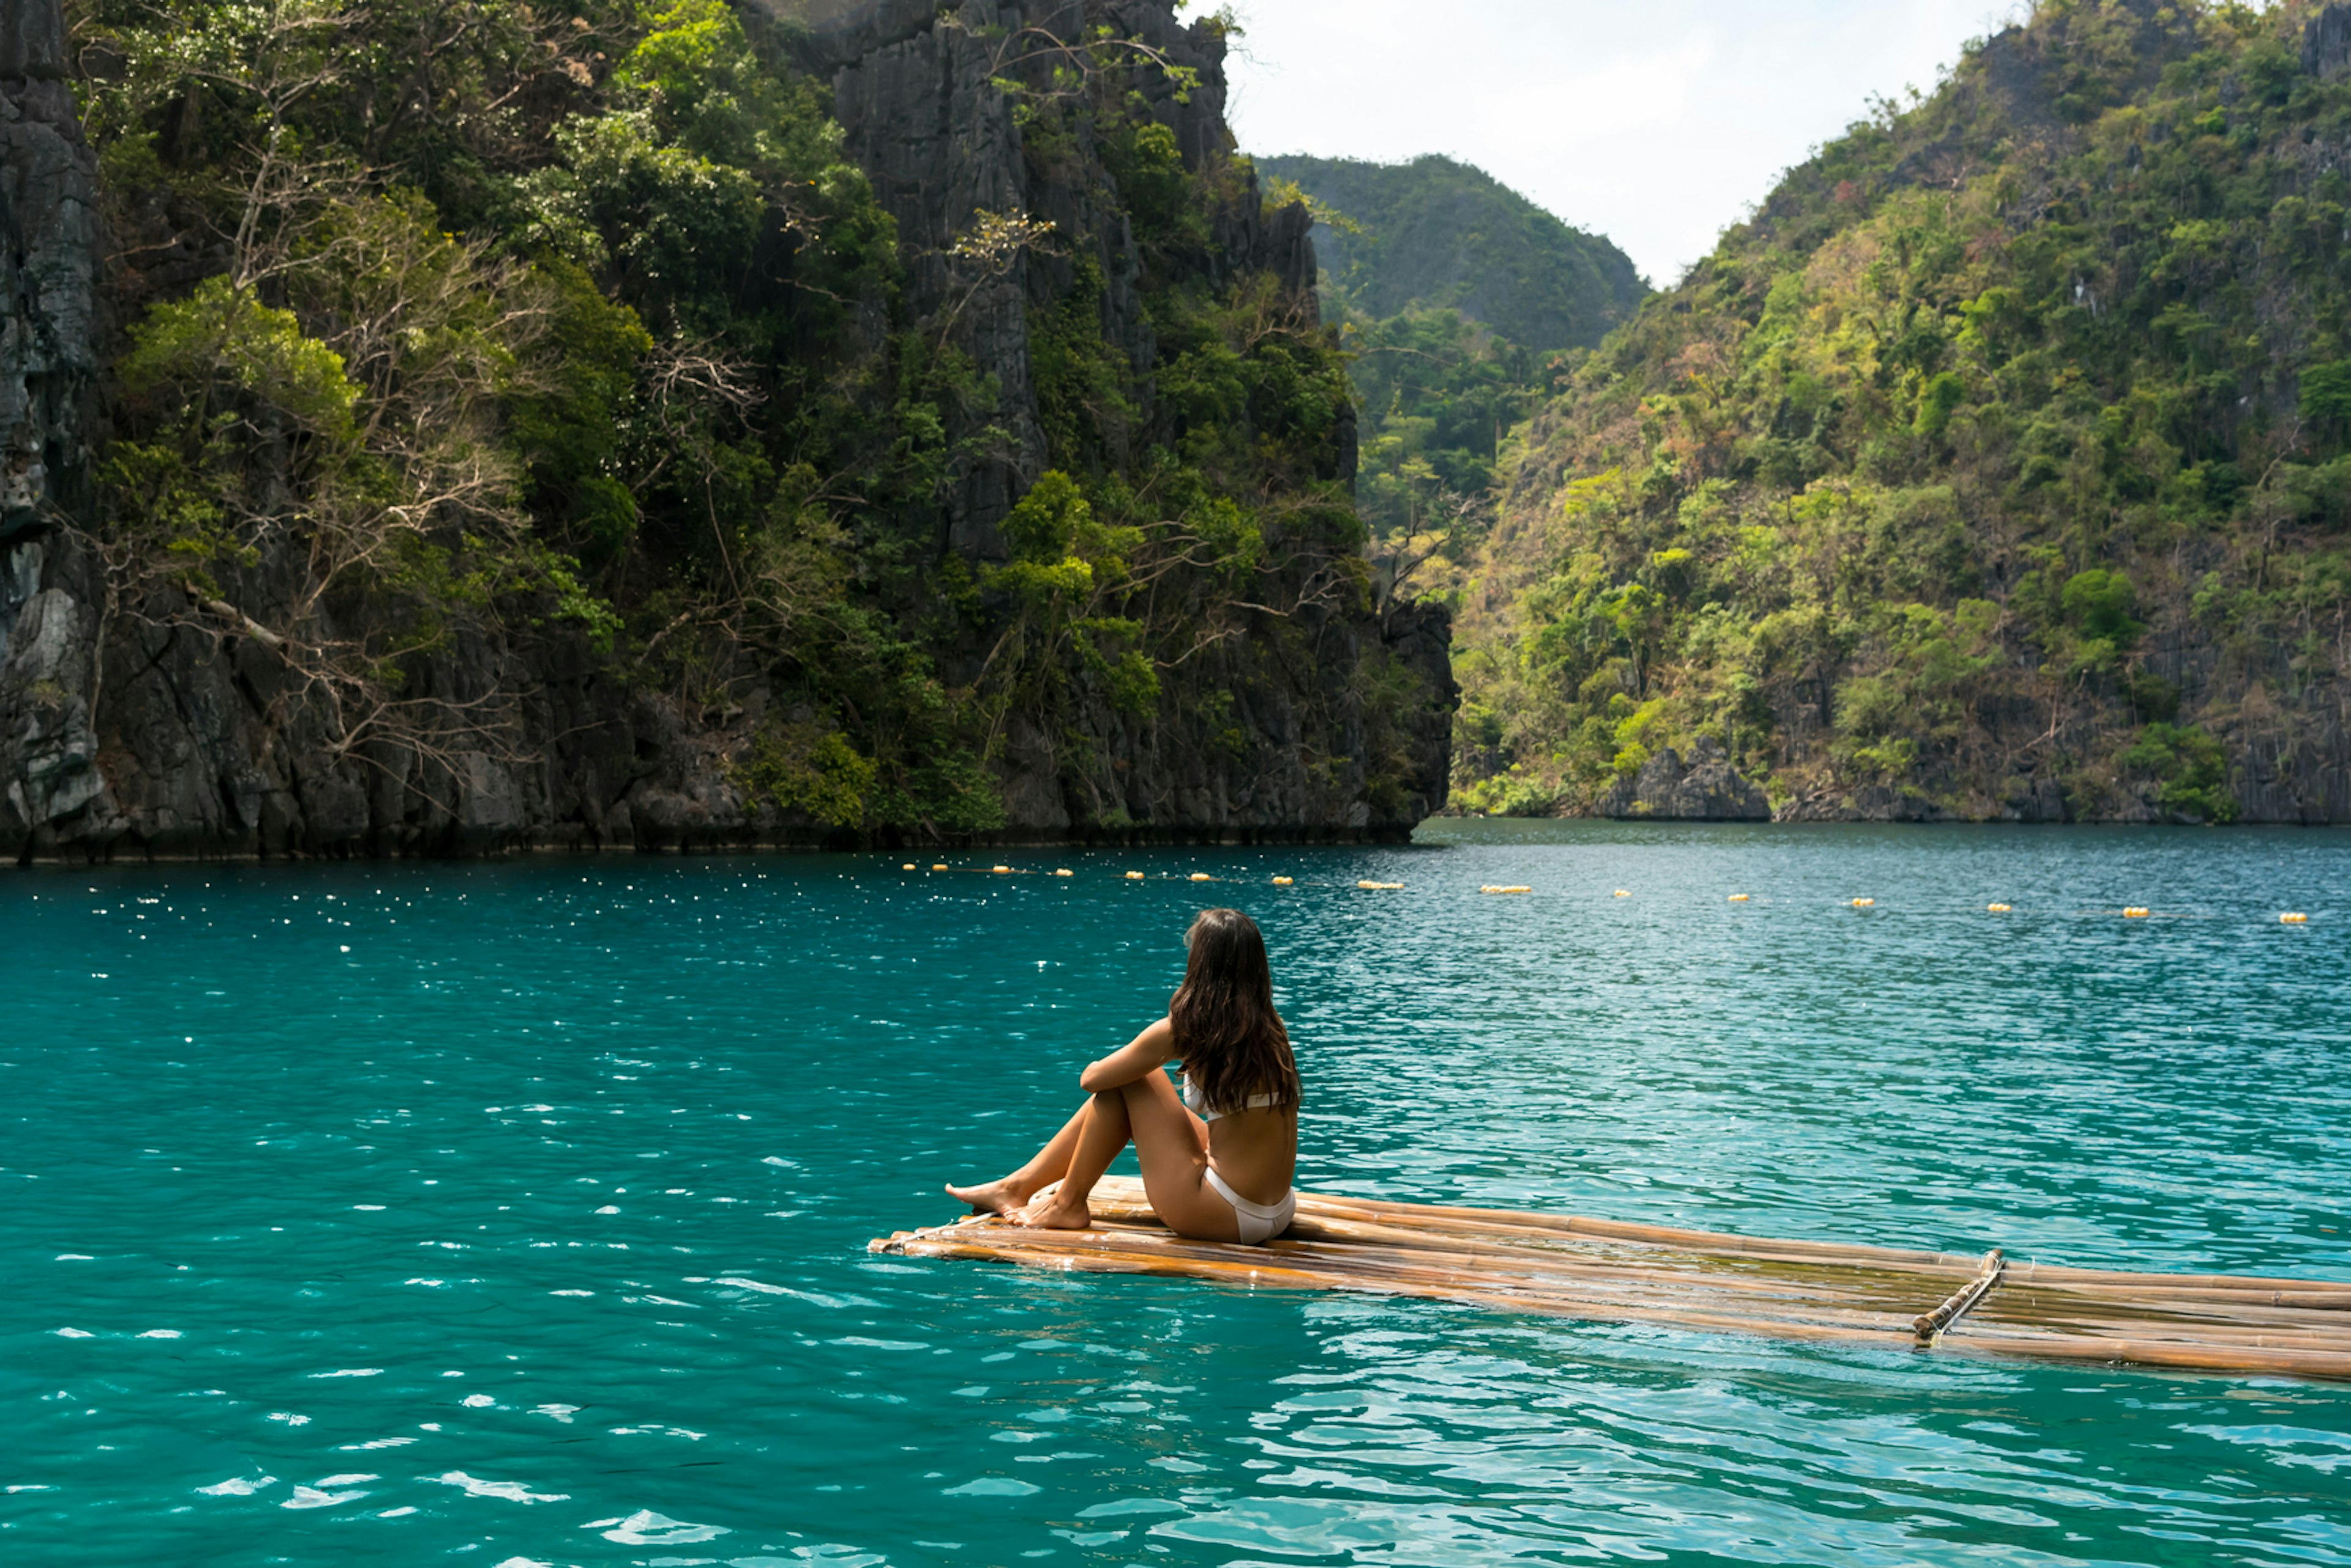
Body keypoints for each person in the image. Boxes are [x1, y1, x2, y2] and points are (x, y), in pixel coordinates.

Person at [946, 907, 1301, 1244]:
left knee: (1129, 1081)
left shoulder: (1189, 1029)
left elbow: (1092, 1079)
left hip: (1224, 1215)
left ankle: (1065, 1203)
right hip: (1278, 1209)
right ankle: (1017, 1188)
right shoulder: (1270, 1029)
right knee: (1136, 1084)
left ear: (1202, 965)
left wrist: (1148, 1049)